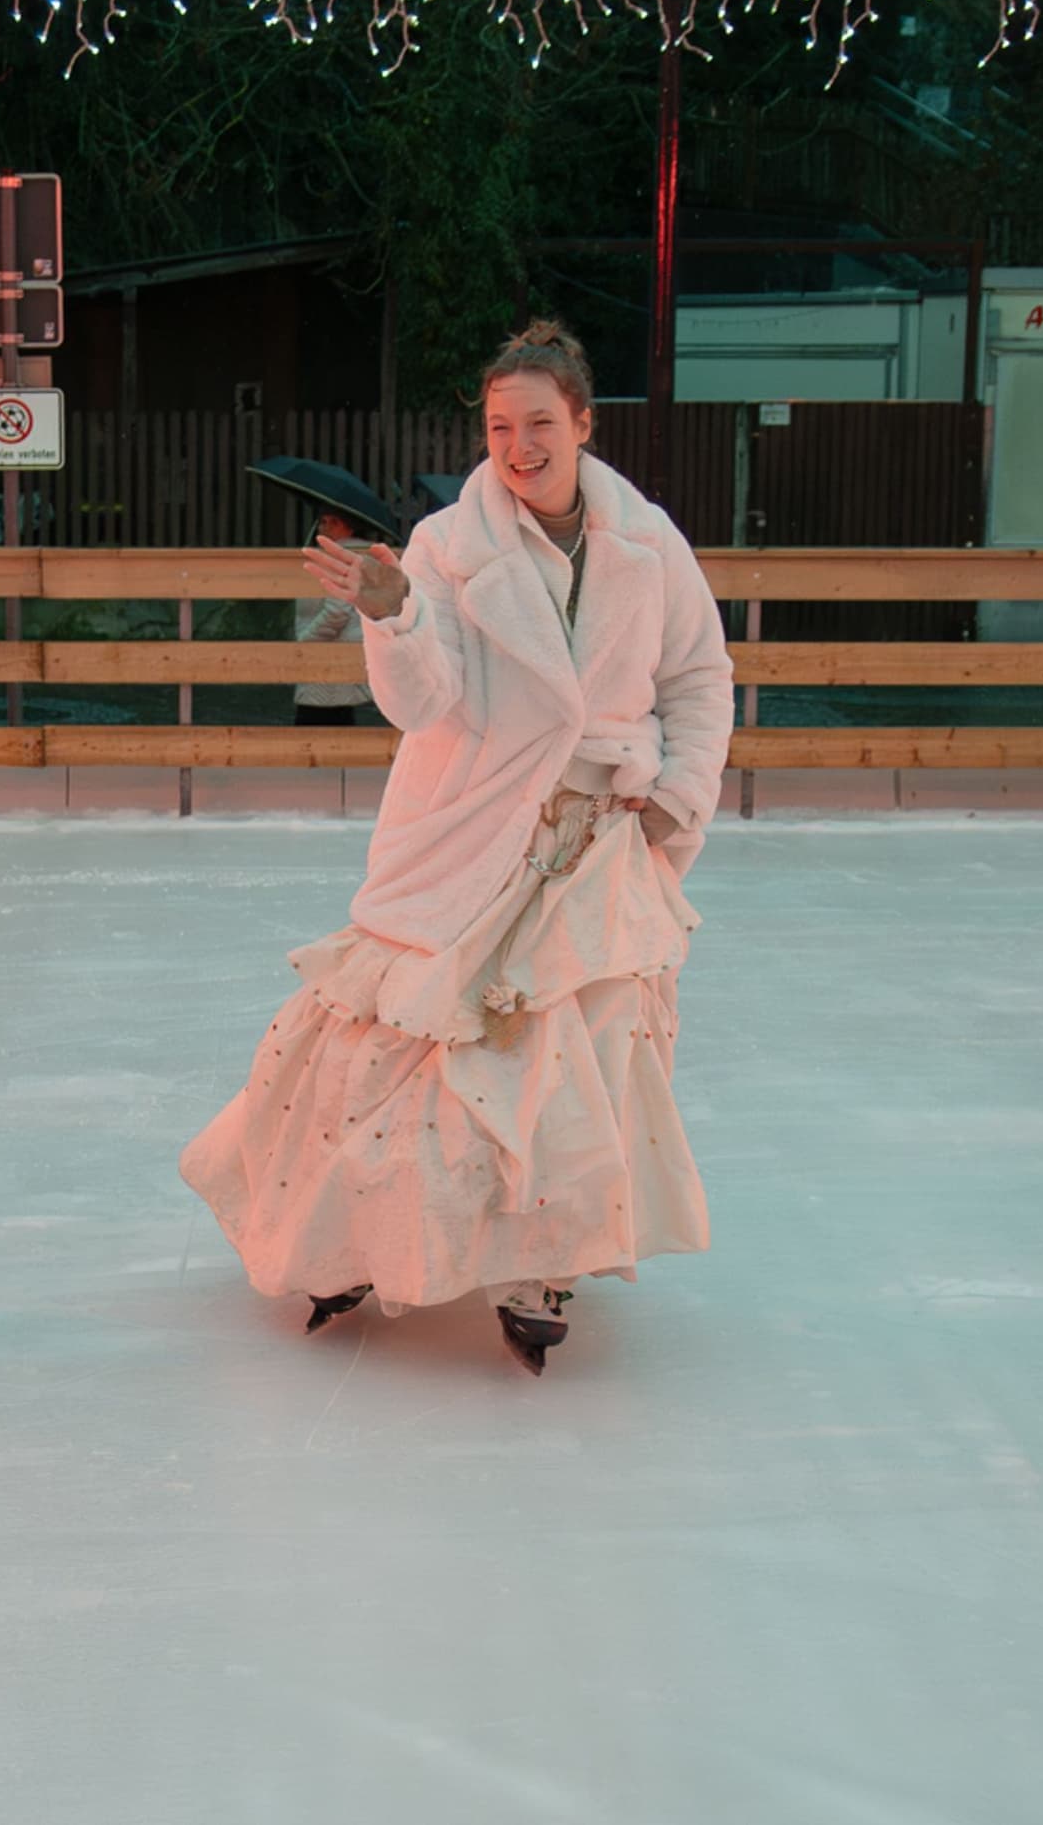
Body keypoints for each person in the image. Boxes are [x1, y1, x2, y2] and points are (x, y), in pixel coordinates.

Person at [179, 321, 735, 1374]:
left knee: (591, 1040)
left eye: (538, 424)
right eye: (497, 427)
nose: (518, 446)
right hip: (472, 827)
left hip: (600, 834)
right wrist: (394, 618)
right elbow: (426, 704)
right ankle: (346, 1235)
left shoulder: (650, 543)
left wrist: (675, 802)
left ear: (581, 422)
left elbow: (700, 680)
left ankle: (546, 1256)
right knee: (402, 1051)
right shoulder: (445, 546)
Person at [294, 512, 377, 728]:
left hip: (328, 651)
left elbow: (337, 610)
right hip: (333, 654)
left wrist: (304, 641)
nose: (325, 527)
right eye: (322, 521)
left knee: (315, 724)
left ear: (351, 527)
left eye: (334, 522)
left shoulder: (342, 556)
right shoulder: (335, 555)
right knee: (336, 720)